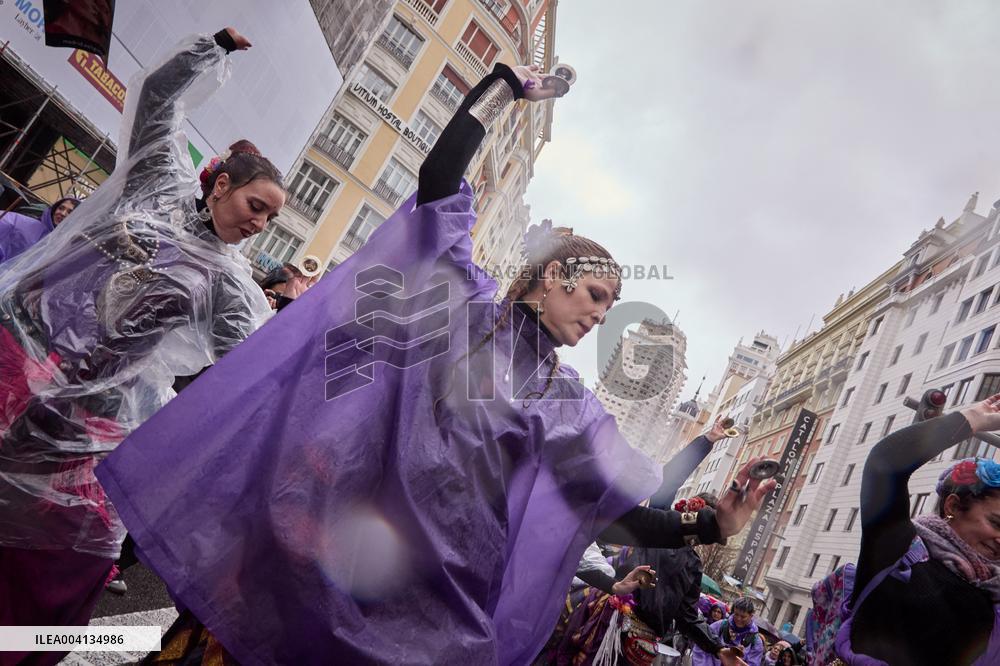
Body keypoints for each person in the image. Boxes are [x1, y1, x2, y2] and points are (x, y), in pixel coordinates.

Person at [96, 61, 774, 665]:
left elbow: (609, 510)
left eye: (610, 305)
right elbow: (439, 182)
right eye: (596, 294)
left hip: (429, 604)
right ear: (553, 277)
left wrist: (712, 523)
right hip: (326, 539)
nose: (601, 314)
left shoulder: (568, 404)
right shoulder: (460, 304)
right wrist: (504, 90)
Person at [0, 26, 283, 665]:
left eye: (271, 218)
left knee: (65, 551)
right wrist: (210, 48)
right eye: (256, 204)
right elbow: (157, 96)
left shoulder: (231, 286)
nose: (260, 224)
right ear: (221, 184)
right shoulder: (156, 180)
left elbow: (255, 372)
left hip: (83, 414)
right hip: (19, 351)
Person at [838, 394, 1000, 665]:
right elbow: (886, 465)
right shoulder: (899, 553)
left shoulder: (993, 599)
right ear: (953, 506)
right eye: (996, 523)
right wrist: (972, 420)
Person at [0, 197, 78, 265]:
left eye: (69, 212)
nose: (62, 213)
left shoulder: (64, 245)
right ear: (54, 209)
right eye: (61, 208)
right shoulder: (24, 223)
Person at [692, 597, 764, 666]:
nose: (738, 619)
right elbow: (701, 648)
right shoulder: (719, 626)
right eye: (736, 614)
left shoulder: (756, 641)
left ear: (751, 616)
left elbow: (753, 663)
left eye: (743, 617)